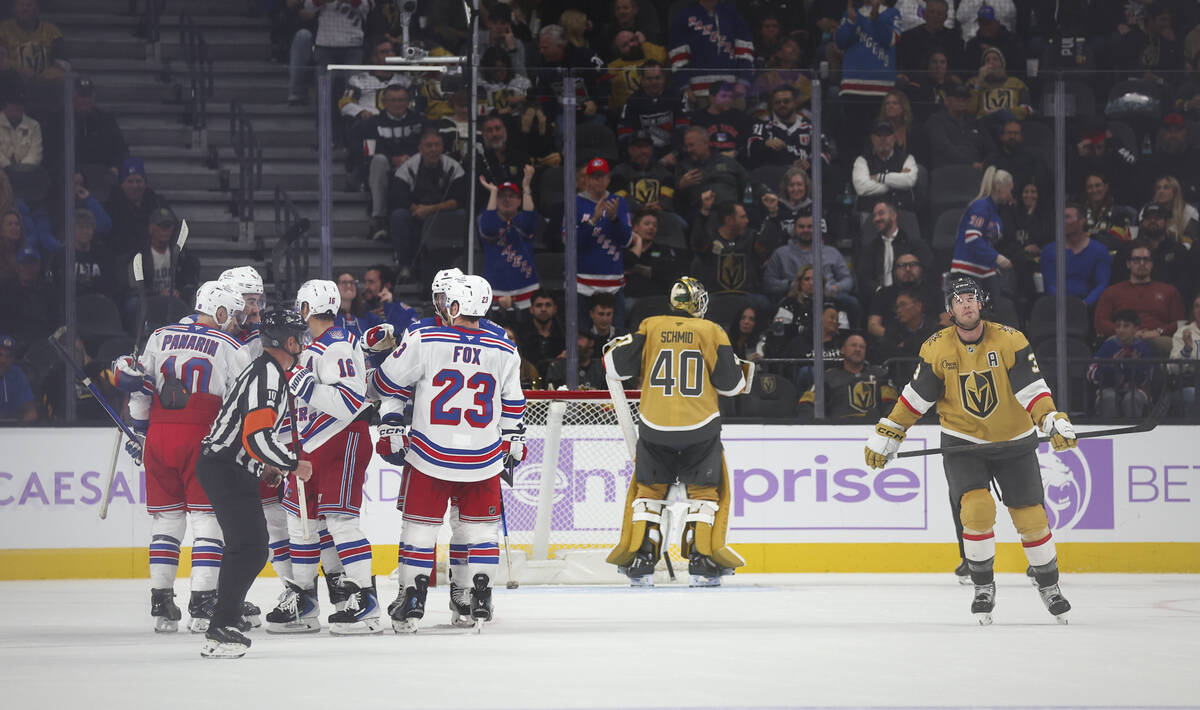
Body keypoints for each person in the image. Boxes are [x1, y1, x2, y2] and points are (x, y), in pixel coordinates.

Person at [864, 276, 1077, 623]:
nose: (965, 304)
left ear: (981, 303)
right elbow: (916, 398)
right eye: (958, 299)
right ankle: (983, 585)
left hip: (1014, 441)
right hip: (964, 444)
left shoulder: (1011, 340)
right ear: (949, 310)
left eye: (970, 298)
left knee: (1032, 518)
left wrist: (1050, 419)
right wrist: (891, 431)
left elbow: (1032, 389)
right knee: (976, 510)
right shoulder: (936, 348)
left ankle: (1049, 586)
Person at [374, 275, 526, 631]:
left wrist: (378, 373)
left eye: (447, 300)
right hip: (483, 457)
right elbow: (514, 403)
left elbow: (384, 384)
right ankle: (480, 595)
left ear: (455, 305)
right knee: (482, 532)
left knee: (419, 531)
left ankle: (412, 598)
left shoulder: (424, 336)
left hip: (429, 454)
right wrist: (512, 441)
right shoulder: (504, 344)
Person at [115, 282, 254, 634]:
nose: (236, 321)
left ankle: (161, 602)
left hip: (160, 435)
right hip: (202, 436)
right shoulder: (230, 345)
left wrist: (142, 432)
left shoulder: (159, 336)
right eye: (233, 314)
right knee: (208, 522)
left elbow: (138, 386)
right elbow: (241, 403)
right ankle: (203, 603)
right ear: (219, 310)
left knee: (166, 522)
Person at [604, 277, 753, 586]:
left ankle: (642, 561)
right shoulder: (712, 330)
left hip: (654, 426)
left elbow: (616, 367)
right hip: (700, 428)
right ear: (699, 302)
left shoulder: (649, 325)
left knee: (649, 493)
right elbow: (733, 385)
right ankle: (701, 561)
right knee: (704, 495)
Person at [193, 308, 311, 659]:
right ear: (288, 341)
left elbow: (250, 437)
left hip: (228, 466)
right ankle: (222, 623)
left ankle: (222, 622)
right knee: (251, 547)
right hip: (225, 467)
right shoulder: (269, 375)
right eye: (299, 337)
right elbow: (256, 435)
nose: (303, 344)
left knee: (245, 546)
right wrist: (290, 464)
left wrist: (263, 466)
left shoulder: (266, 370)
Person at [276, 279, 382, 635]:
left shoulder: (335, 345)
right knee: (302, 525)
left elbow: (350, 402)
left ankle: (365, 602)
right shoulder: (314, 347)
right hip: (309, 446)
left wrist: (303, 383)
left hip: (341, 441)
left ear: (307, 309)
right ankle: (304, 601)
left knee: (339, 522)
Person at [388, 130, 467, 280]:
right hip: (416, 212)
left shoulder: (453, 167)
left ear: (442, 148)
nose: (433, 149)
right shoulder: (409, 167)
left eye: (437, 145)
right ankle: (405, 265)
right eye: (429, 145)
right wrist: (417, 209)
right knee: (399, 216)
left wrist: (430, 210)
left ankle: (459, 266)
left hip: (444, 214)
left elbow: (459, 200)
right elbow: (399, 197)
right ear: (420, 148)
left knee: (462, 215)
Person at [1094, 241, 1184, 355]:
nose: (1142, 263)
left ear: (1152, 264)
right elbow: (1100, 323)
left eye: (1146, 260)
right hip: (1121, 339)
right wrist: (1126, 332)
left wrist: (1160, 332)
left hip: (1158, 339)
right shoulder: (1112, 291)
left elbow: (1180, 322)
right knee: (1111, 344)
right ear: (1128, 264)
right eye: (1136, 260)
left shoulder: (1169, 291)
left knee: (1172, 345)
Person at [574, 157, 633, 327]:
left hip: (614, 285)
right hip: (583, 285)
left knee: (618, 339)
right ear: (586, 179)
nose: (599, 181)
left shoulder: (619, 203)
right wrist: (593, 220)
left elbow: (627, 240)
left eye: (603, 176)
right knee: (583, 340)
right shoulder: (575, 203)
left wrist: (614, 219)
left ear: (608, 179)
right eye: (595, 177)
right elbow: (570, 243)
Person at [363, 85, 424, 240]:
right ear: (384, 102)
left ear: (408, 102)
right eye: (393, 100)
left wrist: (410, 159)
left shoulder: (419, 120)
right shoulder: (372, 123)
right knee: (378, 160)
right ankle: (379, 219)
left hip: (414, 166)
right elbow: (368, 153)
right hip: (386, 167)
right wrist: (393, 159)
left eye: (401, 100)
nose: (397, 104)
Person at [668, 0, 755, 104]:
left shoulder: (733, 15)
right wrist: (685, 87)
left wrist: (743, 82)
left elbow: (745, 50)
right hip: (698, 93)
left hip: (732, 91)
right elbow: (679, 55)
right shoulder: (685, 16)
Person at [762, 213, 855, 307]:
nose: (806, 230)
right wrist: (791, 284)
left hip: (828, 296)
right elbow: (768, 282)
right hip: (792, 296)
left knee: (851, 302)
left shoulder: (832, 252)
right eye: (801, 227)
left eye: (810, 226)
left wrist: (835, 288)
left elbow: (847, 280)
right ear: (794, 229)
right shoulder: (780, 253)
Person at [479, 168, 540, 309]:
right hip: (494, 290)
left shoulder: (522, 220)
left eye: (511, 196)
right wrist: (493, 192)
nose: (506, 200)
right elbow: (489, 228)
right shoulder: (486, 219)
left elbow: (530, 224)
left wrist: (526, 187)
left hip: (526, 288)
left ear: (520, 200)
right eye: (502, 196)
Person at [798, 332, 896, 420]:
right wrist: (824, 427)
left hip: (874, 431)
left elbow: (891, 404)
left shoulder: (880, 375)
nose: (858, 349)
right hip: (838, 433)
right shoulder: (829, 376)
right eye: (853, 345)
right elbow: (806, 403)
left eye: (862, 347)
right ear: (843, 350)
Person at [949, 166, 1014, 294]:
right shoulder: (981, 206)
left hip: (984, 271)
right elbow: (972, 238)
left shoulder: (995, 212)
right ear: (1000, 187)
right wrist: (997, 258)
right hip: (966, 269)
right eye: (1009, 190)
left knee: (994, 310)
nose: (1011, 195)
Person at [857, 198, 934, 300]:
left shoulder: (915, 244)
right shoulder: (870, 248)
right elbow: (864, 277)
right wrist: (879, 292)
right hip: (879, 298)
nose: (876, 219)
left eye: (881, 214)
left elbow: (928, 271)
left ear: (893, 216)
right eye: (874, 215)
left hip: (911, 297)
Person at [1039, 203, 1111, 307]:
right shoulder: (1049, 250)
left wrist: (1084, 304)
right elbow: (1049, 284)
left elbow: (1102, 285)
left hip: (1089, 307)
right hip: (1057, 306)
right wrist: (1065, 306)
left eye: (1067, 217)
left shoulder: (1099, 250)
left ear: (1082, 221)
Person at [1088, 309, 1153, 419]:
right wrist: (1112, 365)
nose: (1121, 330)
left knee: (1132, 398)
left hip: (1136, 390)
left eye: (1126, 326)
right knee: (1109, 397)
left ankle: (1133, 433)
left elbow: (1145, 379)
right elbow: (1092, 374)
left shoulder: (1143, 348)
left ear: (1136, 328)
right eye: (1118, 326)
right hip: (1109, 389)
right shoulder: (1108, 346)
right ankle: (1109, 431)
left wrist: (1134, 366)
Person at [867, 250, 945, 339]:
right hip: (893, 344)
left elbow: (946, 321)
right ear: (894, 271)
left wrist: (927, 337)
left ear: (921, 269)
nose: (908, 269)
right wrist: (893, 337)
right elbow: (873, 326)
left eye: (913, 265)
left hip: (930, 342)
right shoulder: (883, 294)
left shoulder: (935, 292)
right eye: (902, 266)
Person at [747, 85, 826, 170]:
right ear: (772, 105)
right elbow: (750, 148)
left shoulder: (811, 128)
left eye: (786, 101)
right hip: (773, 177)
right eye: (777, 102)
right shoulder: (763, 126)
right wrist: (765, 144)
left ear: (795, 103)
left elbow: (825, 153)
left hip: (804, 178)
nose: (782, 105)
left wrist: (808, 163)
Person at [851, 121, 919, 213]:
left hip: (901, 212)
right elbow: (862, 188)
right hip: (871, 215)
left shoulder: (907, 159)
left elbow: (909, 180)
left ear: (894, 138)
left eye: (887, 135)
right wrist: (896, 183)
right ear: (872, 138)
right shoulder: (862, 160)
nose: (883, 139)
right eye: (879, 135)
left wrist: (879, 178)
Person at [924, 83, 991, 169]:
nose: (961, 102)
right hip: (947, 170)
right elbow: (944, 148)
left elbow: (989, 146)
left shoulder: (974, 122)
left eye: (964, 99)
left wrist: (988, 163)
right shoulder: (936, 121)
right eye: (957, 98)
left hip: (977, 169)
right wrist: (971, 164)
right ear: (947, 101)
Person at [623, 210, 688, 299]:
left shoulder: (663, 250)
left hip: (655, 298)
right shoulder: (625, 249)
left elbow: (667, 274)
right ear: (635, 227)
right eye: (647, 224)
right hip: (628, 297)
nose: (651, 227)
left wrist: (637, 269)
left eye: (654, 225)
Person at [896, 0, 962, 74]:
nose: (935, 16)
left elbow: (958, 68)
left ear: (945, 17)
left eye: (939, 13)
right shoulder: (908, 37)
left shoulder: (954, 39)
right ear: (924, 15)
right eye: (931, 12)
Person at [516, 290, 565, 378]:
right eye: (539, 305)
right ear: (531, 309)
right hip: (528, 379)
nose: (543, 309)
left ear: (555, 309)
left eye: (548, 305)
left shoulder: (564, 333)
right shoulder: (520, 333)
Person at [1169, 294, 1200, 417]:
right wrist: (1186, 349)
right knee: (1191, 393)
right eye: (1197, 306)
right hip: (1191, 383)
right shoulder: (1183, 332)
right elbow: (1172, 368)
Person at [0, 333, 35, 422]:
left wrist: (17, 432)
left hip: (13, 430)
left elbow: (31, 413)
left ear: (13, 359)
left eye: (8, 356)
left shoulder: (17, 375)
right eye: (0, 355)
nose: (3, 360)